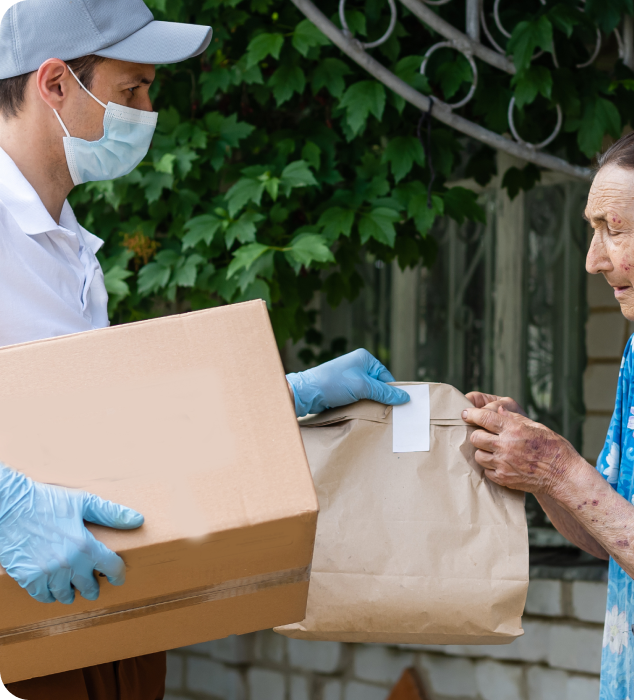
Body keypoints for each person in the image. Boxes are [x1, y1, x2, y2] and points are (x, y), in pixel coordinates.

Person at [0, 1, 410, 698]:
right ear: (56, 84)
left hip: (90, 628)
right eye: (132, 89)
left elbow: (93, 428)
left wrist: (282, 399)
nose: (149, 109)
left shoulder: (66, 242)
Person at [464, 122, 634, 700]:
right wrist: (531, 462)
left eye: (613, 230)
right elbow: (607, 534)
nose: (594, 260)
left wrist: (559, 470)